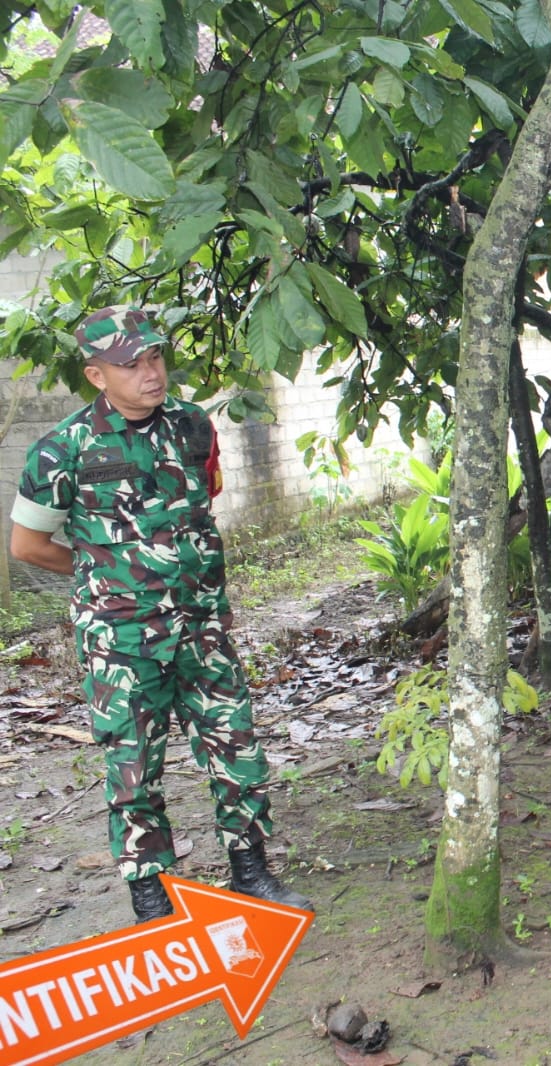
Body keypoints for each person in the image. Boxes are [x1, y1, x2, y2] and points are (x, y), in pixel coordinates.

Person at [9, 306, 312, 923]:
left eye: (155, 357)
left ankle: (251, 871)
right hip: (121, 640)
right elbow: (27, 546)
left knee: (236, 744)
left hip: (201, 627)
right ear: (97, 375)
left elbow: (206, 499)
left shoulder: (193, 426)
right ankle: (153, 897)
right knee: (132, 765)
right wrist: (104, 574)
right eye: (132, 363)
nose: (151, 372)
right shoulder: (62, 450)